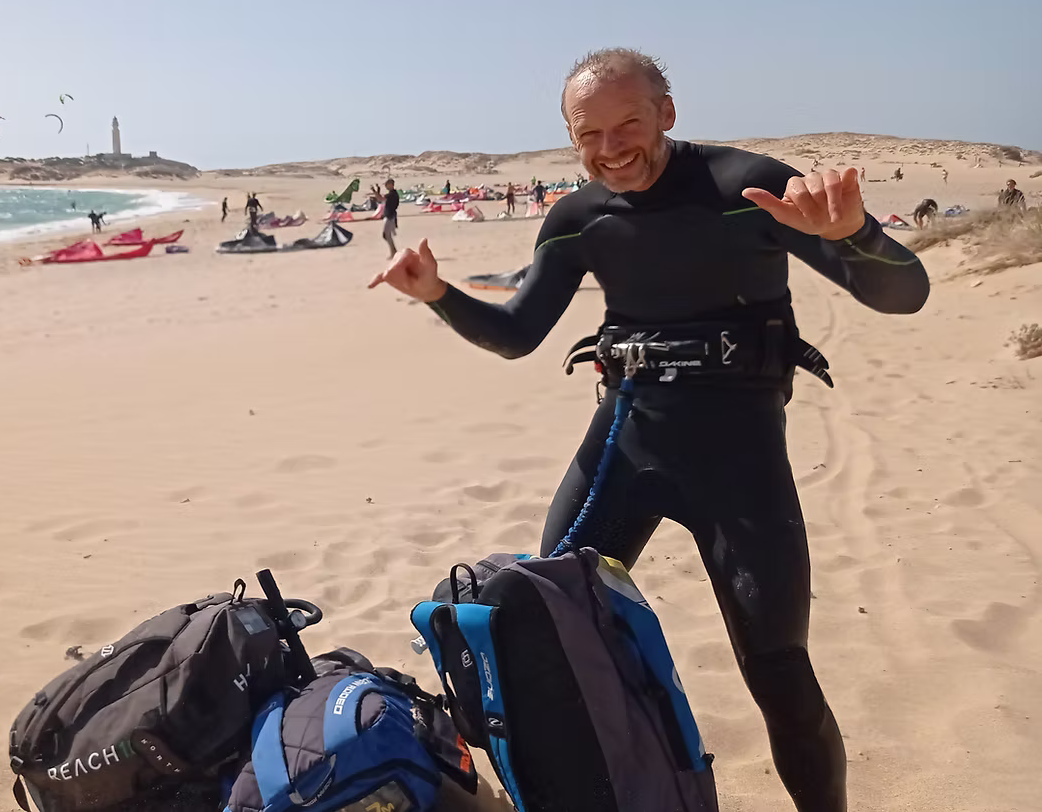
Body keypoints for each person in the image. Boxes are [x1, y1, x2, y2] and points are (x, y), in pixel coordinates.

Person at [367, 47, 929, 812]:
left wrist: (856, 232)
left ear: (667, 112)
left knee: (779, 674)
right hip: (624, 444)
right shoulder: (577, 220)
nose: (610, 148)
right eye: (587, 133)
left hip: (740, 462)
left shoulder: (747, 188)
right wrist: (436, 292)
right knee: (546, 631)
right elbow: (517, 334)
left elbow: (905, 295)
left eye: (628, 122)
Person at [382, 178, 400, 256]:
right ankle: (393, 251)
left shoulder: (392, 194)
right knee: (387, 235)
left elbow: (380, 199)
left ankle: (394, 252)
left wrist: (374, 191)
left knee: (386, 235)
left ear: (391, 185)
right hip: (390, 216)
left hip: (390, 216)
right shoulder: (392, 193)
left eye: (387, 184)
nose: (386, 186)